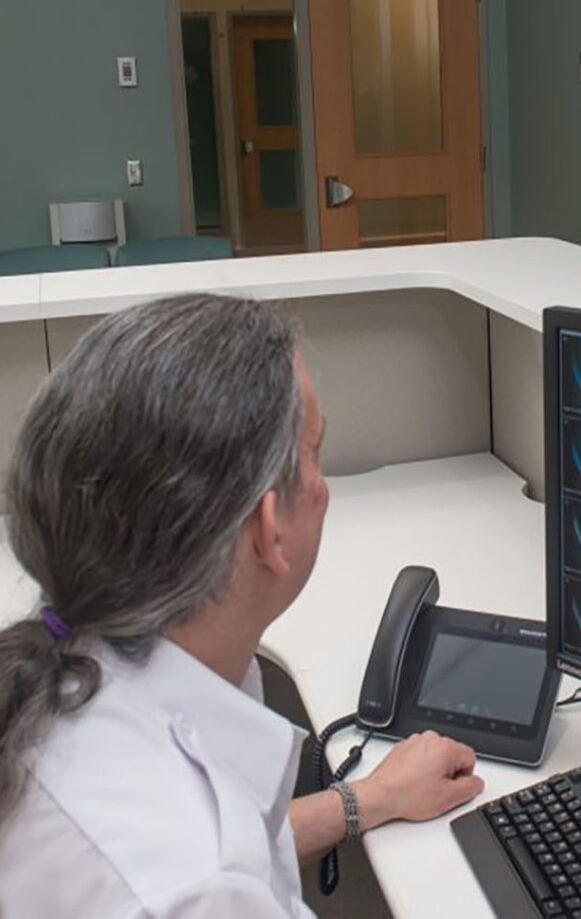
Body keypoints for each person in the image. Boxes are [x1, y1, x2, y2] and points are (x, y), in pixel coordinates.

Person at [0, 294, 484, 917]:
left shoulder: (61, 683)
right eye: (314, 452)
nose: (323, 484)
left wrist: (365, 800)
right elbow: (203, 873)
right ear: (268, 527)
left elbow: (236, 843)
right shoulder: (196, 887)